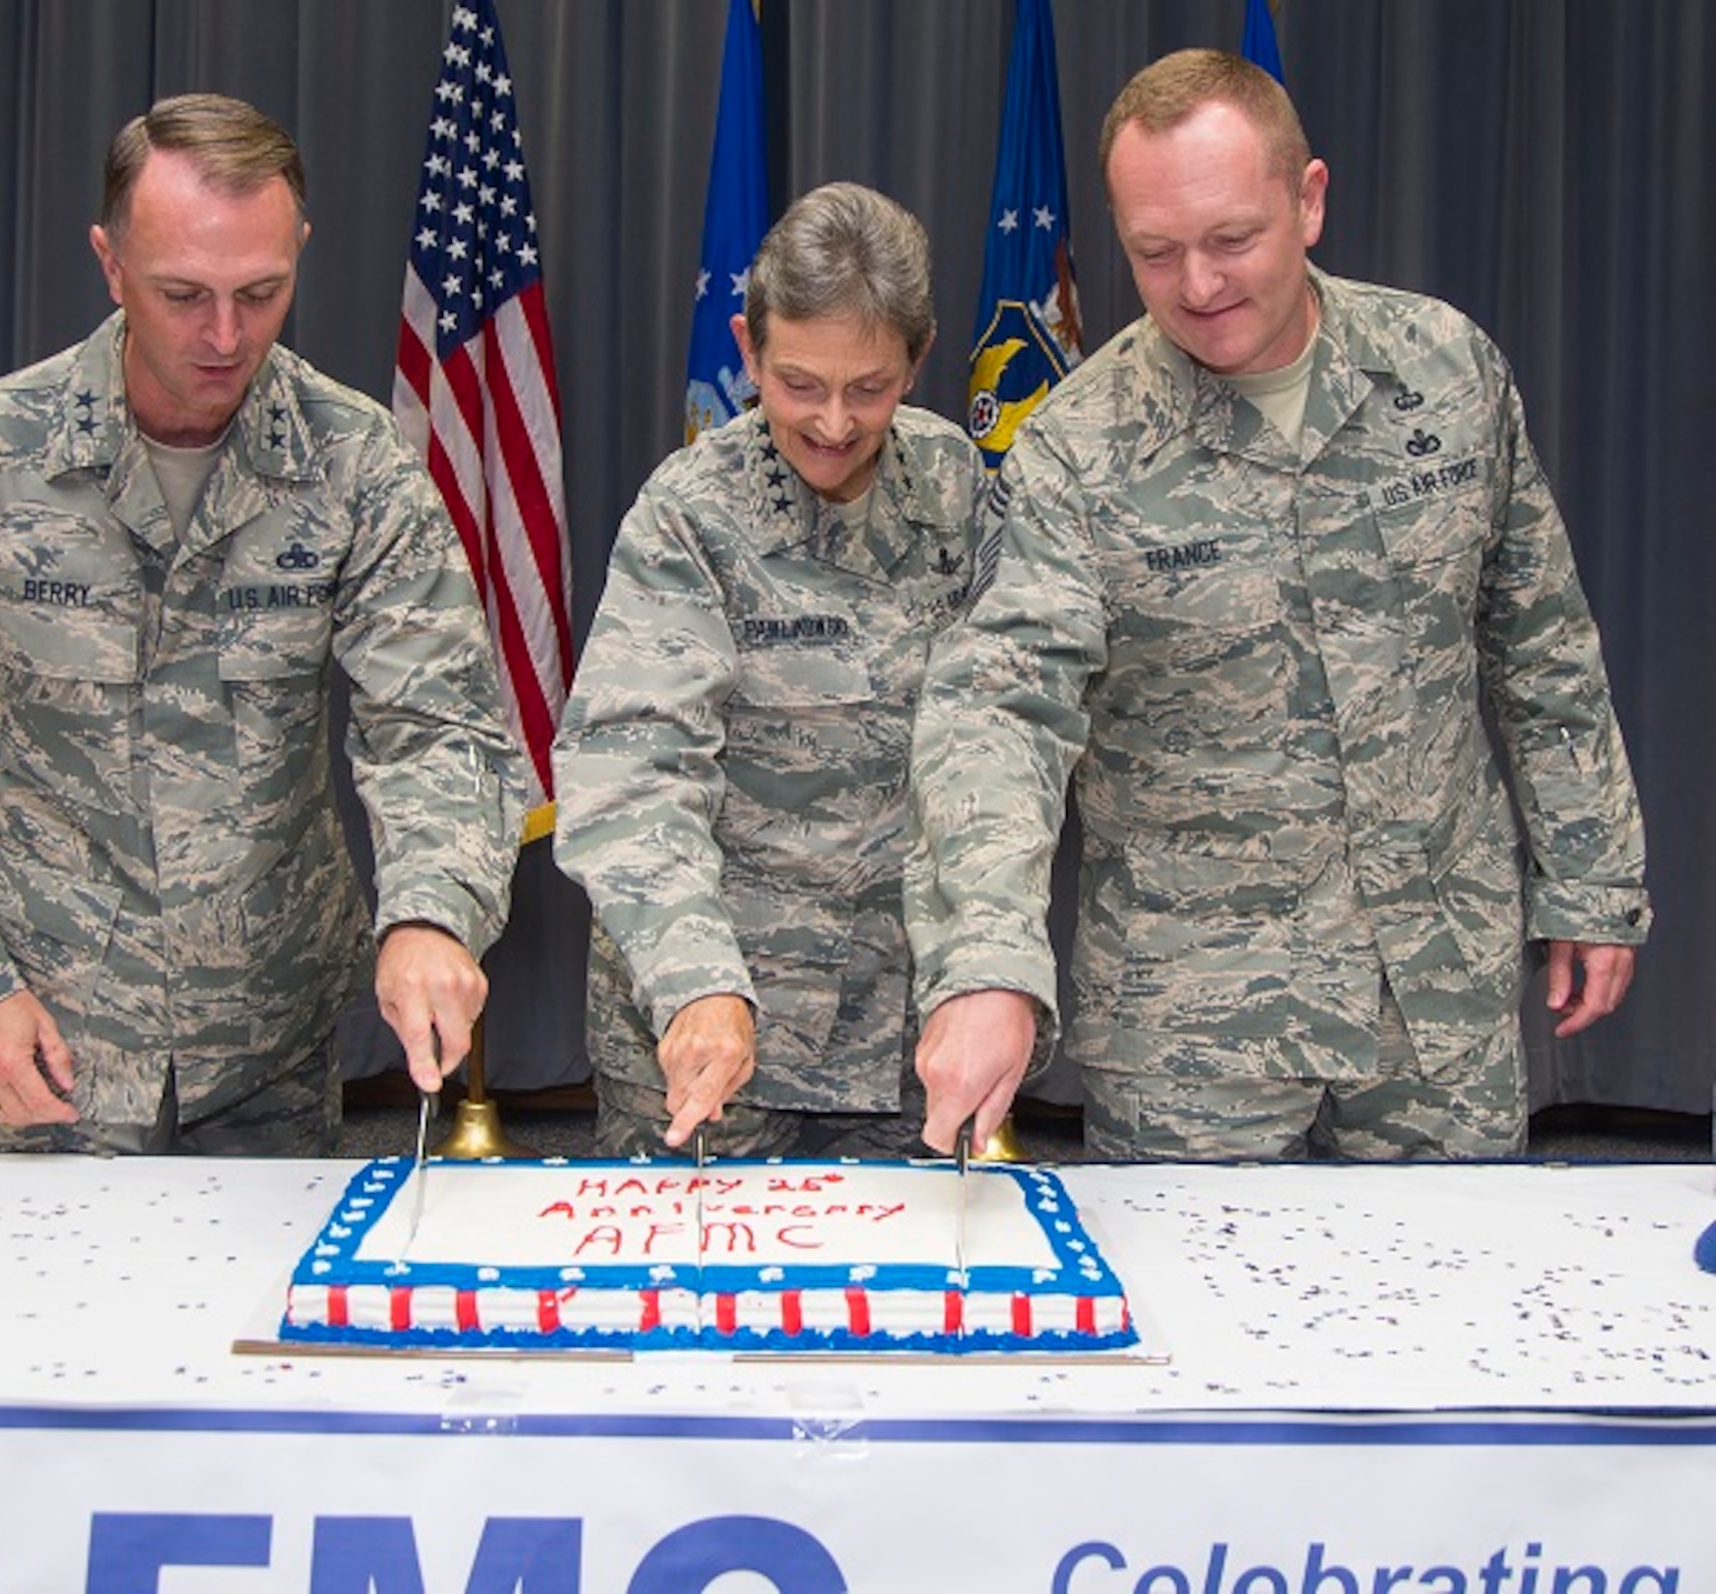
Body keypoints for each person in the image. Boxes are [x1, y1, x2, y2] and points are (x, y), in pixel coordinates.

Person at [907, 51, 1649, 1162]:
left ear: (1307, 200)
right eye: (1155, 253)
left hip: (1433, 993)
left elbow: (1537, 639)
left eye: (1231, 240)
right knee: (1196, 1323)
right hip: (1196, 1022)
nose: (1197, 285)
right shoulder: (1077, 450)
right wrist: (985, 963)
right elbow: (998, 716)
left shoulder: (1443, 370)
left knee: (1453, 1305)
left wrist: (1589, 873)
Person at [0, 93, 524, 1154]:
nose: (224, 336)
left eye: (260, 293)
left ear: (300, 253)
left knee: (250, 1321)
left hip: (268, 1052)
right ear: (109, 262)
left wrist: (425, 910)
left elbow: (438, 725)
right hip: (41, 1041)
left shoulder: (355, 465)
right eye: (182, 294)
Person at [552, 183, 983, 1158]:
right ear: (746, 347)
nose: (832, 421)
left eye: (866, 388)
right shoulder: (689, 515)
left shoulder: (956, 487)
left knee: (898, 1302)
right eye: (798, 384)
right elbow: (630, 772)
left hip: (900, 1039)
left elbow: (1005, 732)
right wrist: (697, 978)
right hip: (708, 1029)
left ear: (916, 359)